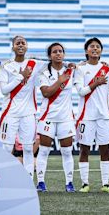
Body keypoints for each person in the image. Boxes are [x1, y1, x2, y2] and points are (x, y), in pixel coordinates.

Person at [0, 36, 46, 180]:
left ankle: (29, 180)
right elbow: (4, 90)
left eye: (23, 43)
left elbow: (57, 63)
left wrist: (78, 64)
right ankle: (4, 179)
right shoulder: (5, 66)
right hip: (9, 113)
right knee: (7, 148)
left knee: (27, 148)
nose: (20, 45)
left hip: (28, 114)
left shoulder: (35, 64)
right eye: (17, 43)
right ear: (13, 47)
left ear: (26, 47)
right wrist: (20, 77)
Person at [74, 37, 109, 193]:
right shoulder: (80, 69)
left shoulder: (108, 69)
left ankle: (105, 184)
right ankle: (85, 184)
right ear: (86, 50)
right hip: (86, 115)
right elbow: (81, 91)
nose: (94, 49)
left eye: (97, 47)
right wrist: (95, 83)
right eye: (91, 46)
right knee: (84, 149)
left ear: (101, 50)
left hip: (104, 115)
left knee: (105, 149)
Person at [35, 43, 76, 192]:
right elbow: (46, 92)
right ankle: (40, 182)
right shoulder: (43, 73)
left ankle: (69, 183)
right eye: (54, 52)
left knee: (67, 152)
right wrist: (60, 81)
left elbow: (87, 66)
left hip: (66, 118)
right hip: (48, 117)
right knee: (44, 151)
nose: (58, 54)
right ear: (50, 55)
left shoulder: (71, 70)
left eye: (60, 51)